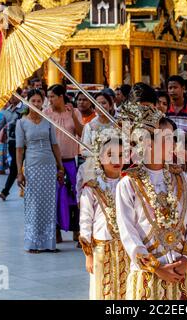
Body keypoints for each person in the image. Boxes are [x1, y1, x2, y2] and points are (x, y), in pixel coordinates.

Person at [116, 102, 187, 300]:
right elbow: (128, 233)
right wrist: (157, 268)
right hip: (149, 274)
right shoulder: (128, 184)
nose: (173, 144)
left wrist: (186, 259)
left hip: (182, 270)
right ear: (147, 143)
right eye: (166, 139)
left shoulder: (180, 178)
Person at [79, 130, 129, 299]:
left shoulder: (130, 184)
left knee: (126, 289)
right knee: (102, 290)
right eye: (111, 154)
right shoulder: (92, 187)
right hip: (101, 248)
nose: (116, 160)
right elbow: (85, 221)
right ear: (100, 157)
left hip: (127, 247)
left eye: (121, 155)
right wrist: (89, 255)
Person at [16, 89, 64, 253]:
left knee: (50, 203)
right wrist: (19, 172)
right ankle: (33, 243)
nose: (36, 104)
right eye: (33, 101)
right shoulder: (21, 123)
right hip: (32, 166)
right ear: (28, 102)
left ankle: (49, 243)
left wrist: (60, 167)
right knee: (33, 203)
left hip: (49, 165)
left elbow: (55, 145)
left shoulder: (48, 121)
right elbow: (19, 150)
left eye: (39, 101)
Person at [45, 84, 82, 243]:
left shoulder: (74, 112)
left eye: (53, 96)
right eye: (49, 97)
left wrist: (73, 114)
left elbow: (81, 133)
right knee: (55, 197)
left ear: (61, 96)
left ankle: (76, 230)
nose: (50, 100)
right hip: (52, 162)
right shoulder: (46, 114)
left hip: (71, 161)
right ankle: (57, 231)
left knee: (74, 196)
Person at [0, 89, 27, 200]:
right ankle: (10, 191)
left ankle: (6, 192)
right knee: (15, 168)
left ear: (20, 96)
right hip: (12, 143)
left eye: (14, 96)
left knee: (16, 168)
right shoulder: (6, 111)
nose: (11, 98)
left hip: (24, 143)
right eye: (10, 96)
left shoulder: (26, 108)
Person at [0, 109, 9, 174]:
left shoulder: (9, 112)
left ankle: (6, 168)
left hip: (7, 134)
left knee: (7, 153)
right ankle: (1, 169)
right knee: (0, 153)